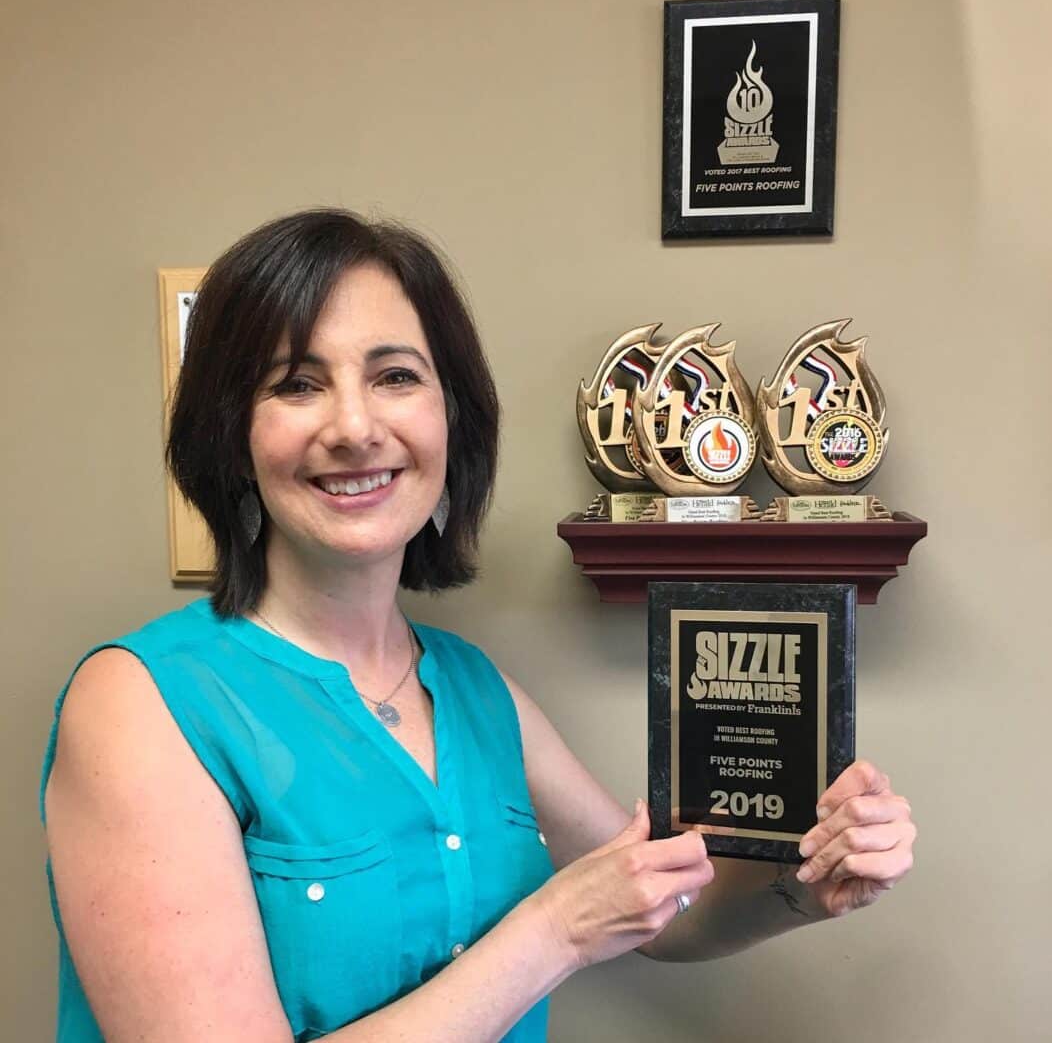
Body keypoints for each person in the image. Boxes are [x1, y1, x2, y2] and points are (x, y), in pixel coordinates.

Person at [40, 209, 916, 1042]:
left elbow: (665, 909)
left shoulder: (477, 691)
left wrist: (807, 880)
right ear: (233, 436)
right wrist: (554, 931)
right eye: (298, 384)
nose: (355, 427)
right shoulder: (139, 704)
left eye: (395, 376)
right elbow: (580, 918)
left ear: (450, 422)